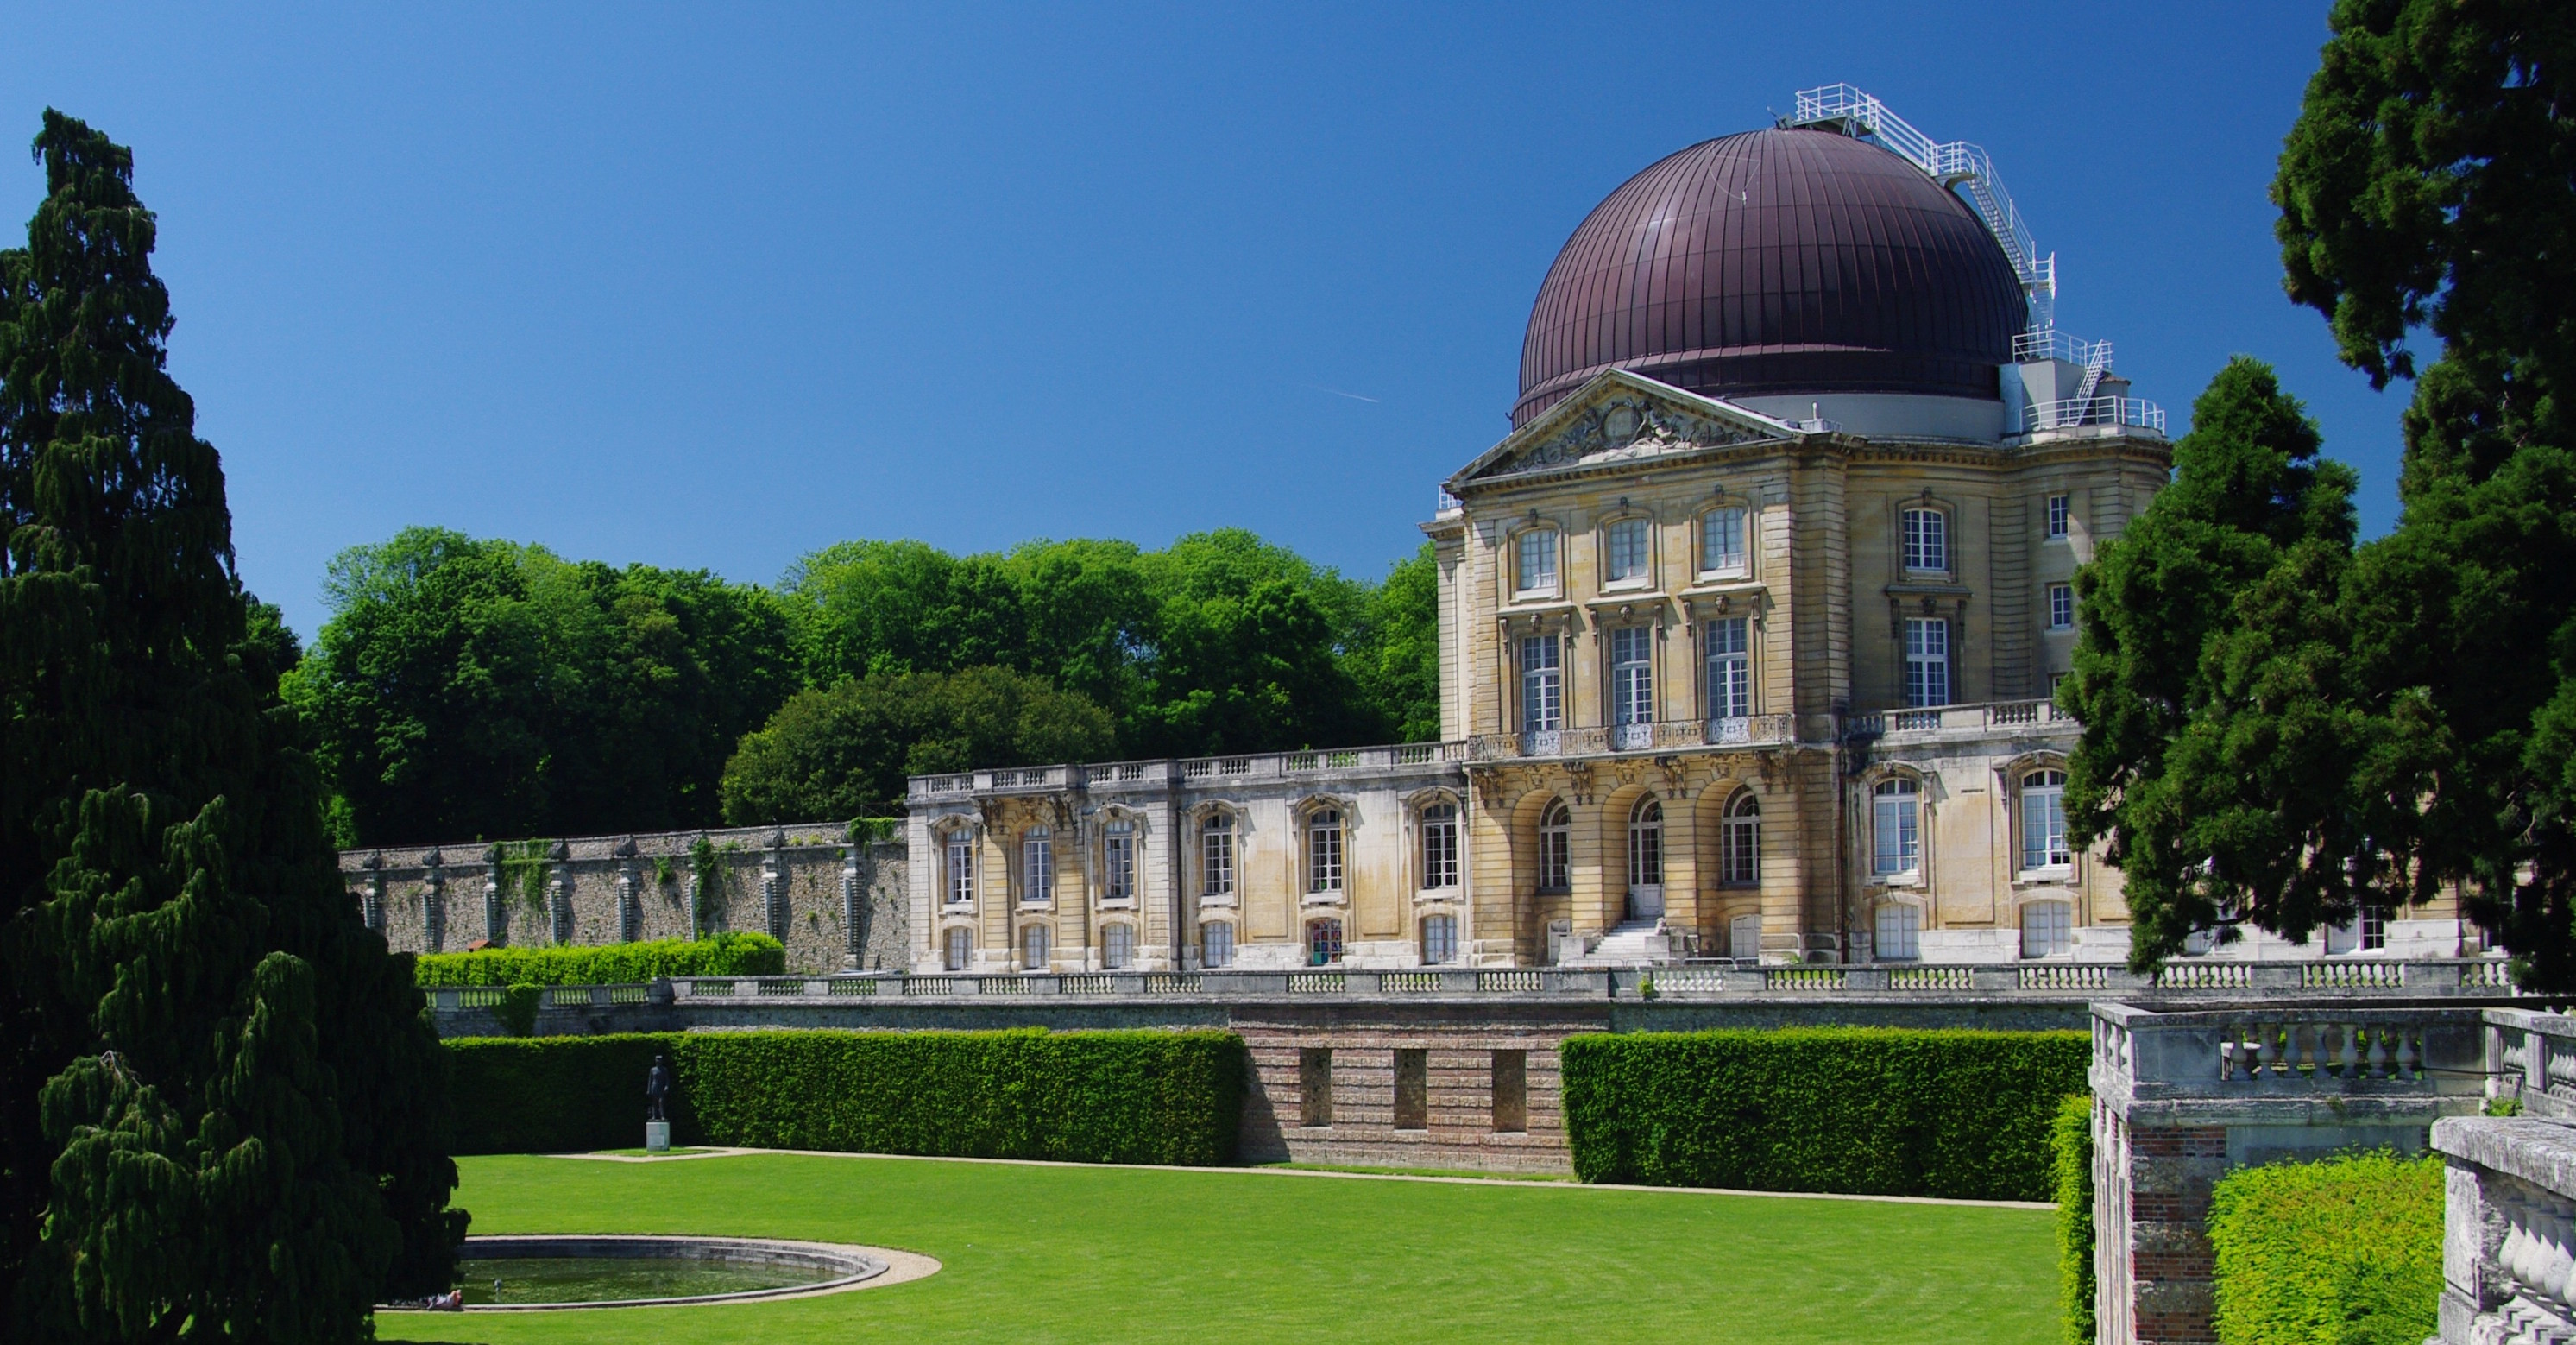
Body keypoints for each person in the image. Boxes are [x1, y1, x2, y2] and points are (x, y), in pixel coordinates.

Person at [646, 1051, 672, 1122]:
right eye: (657, 1060)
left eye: (660, 1060)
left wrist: (667, 1086)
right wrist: (648, 1090)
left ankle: (662, 1115)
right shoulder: (653, 1069)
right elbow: (650, 1080)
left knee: (661, 1102)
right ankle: (654, 1116)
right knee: (654, 1102)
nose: (658, 1061)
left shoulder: (664, 1069)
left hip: (661, 1087)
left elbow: (667, 1079)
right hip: (654, 1087)